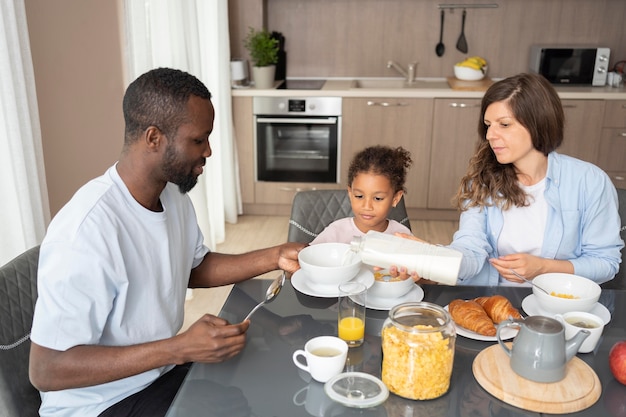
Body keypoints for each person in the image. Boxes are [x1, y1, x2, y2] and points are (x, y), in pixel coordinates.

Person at [28, 68, 305, 417]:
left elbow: (192, 266)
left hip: (153, 376)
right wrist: (178, 348)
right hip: (101, 405)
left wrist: (276, 255)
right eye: (198, 140)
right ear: (154, 138)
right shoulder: (86, 231)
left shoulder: (171, 195)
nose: (208, 151)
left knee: (263, 382)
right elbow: (46, 370)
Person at [405, 73, 623, 286]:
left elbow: (605, 264)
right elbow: (470, 250)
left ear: (538, 123)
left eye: (504, 124)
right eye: (488, 124)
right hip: (492, 302)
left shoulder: (590, 182)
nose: (490, 135)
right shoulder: (482, 181)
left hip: (557, 306)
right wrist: (431, 256)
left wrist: (544, 267)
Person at [310, 145, 413, 246]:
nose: (367, 206)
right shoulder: (336, 232)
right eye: (359, 196)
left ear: (395, 198)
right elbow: (309, 255)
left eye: (378, 198)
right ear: (350, 193)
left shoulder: (402, 236)